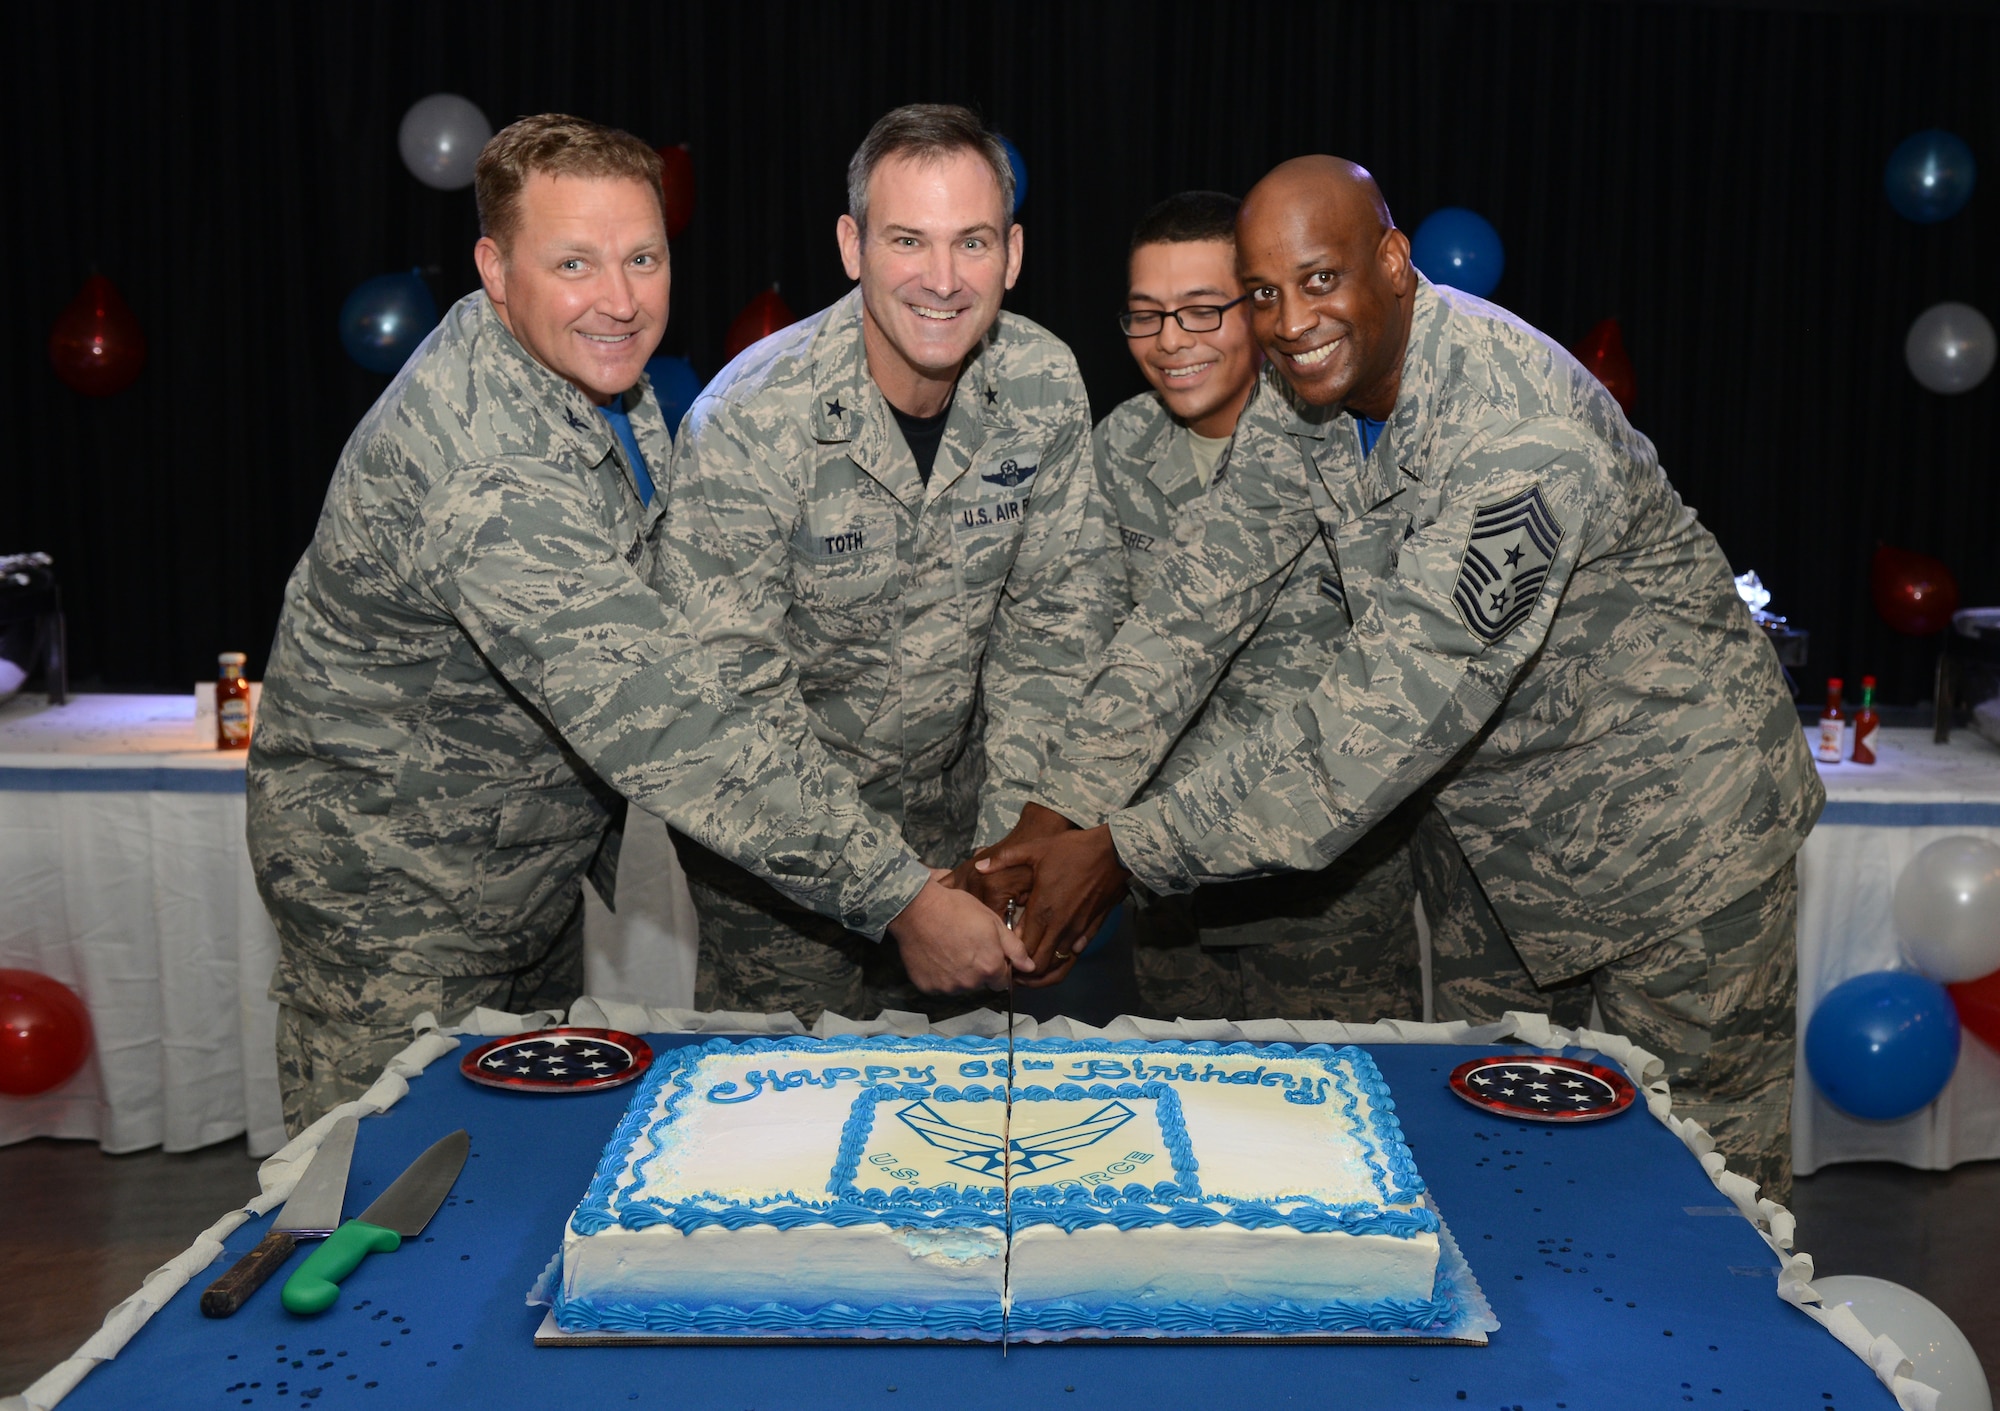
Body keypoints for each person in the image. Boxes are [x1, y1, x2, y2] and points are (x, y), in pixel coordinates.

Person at [983, 156, 1822, 1196]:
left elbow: (1364, 737)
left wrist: (1121, 850)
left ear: (1391, 262)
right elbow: (1188, 610)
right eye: (1262, 295)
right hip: (1495, 855)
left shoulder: (1517, 438)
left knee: (1703, 1196)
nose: (1288, 324)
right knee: (1491, 1175)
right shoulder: (1304, 403)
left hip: (1680, 846)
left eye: (1319, 280)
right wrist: (1053, 807)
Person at [248, 115, 1025, 1135]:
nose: (618, 300)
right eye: (572, 262)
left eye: (642, 258)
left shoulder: (588, 376)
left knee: (516, 1182)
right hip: (395, 913)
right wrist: (898, 896)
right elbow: (668, 720)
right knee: (377, 1223)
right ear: (493, 266)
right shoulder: (483, 466)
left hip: (521, 882)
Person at [664, 104, 1122, 1025]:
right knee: (789, 1137)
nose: (943, 280)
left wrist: (1005, 863)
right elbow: (729, 710)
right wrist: (897, 895)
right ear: (851, 245)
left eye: (974, 242)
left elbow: (1055, 636)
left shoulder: (1043, 383)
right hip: (780, 876)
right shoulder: (748, 421)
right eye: (908, 239)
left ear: (1015, 253)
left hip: (967, 845)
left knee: (957, 1140)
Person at [1092, 190, 1420, 1023]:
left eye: (1203, 311)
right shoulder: (1113, 452)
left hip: (1322, 894)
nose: (1172, 342)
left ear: (1261, 307)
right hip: (1167, 899)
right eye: (1146, 315)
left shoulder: (1348, 443)